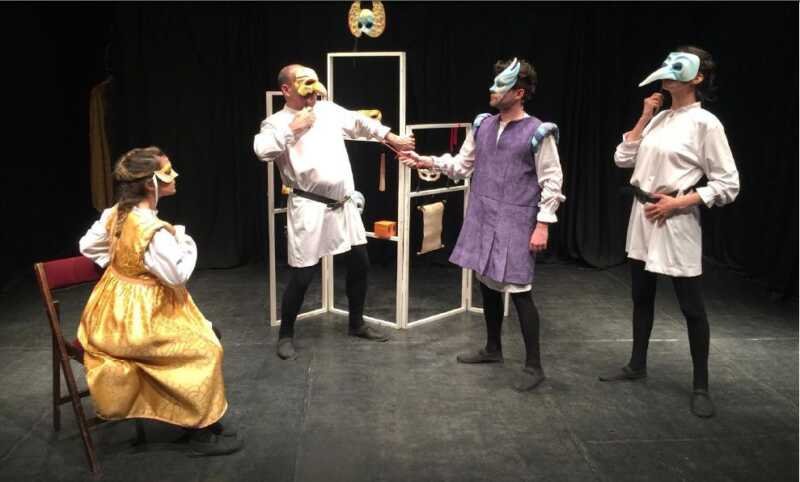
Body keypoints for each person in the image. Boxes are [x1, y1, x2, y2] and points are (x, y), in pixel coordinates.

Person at [398, 58, 565, 391]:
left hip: (516, 218)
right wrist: (425, 160)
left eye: (501, 85)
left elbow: (552, 180)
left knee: (519, 290)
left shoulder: (538, 132)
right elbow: (462, 165)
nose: (492, 89)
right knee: (487, 282)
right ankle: (493, 348)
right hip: (483, 213)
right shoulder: (483, 125)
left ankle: (534, 365)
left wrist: (543, 224)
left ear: (519, 93)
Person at [598, 46, 740, 418]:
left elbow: (728, 184)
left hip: (675, 219)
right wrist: (645, 116)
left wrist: (678, 203)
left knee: (691, 306)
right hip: (643, 215)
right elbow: (622, 159)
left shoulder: (706, 123)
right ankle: (637, 364)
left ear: (697, 77)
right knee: (641, 296)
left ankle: (701, 385)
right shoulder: (660, 119)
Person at [78, 147, 243, 455]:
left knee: (208, 331)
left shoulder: (116, 213)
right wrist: (183, 240)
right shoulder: (152, 231)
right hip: (134, 321)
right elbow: (177, 274)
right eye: (167, 173)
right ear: (149, 183)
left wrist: (124, 266)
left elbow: (88, 245)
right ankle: (198, 431)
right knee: (205, 348)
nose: (174, 176)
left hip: (114, 310)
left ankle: (198, 417)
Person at [253, 64, 415, 360]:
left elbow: (359, 122)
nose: (312, 96)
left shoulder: (327, 110)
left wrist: (390, 137)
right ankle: (286, 334)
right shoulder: (276, 123)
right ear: (286, 90)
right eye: (305, 90)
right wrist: (293, 129)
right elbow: (262, 150)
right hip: (309, 206)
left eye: (315, 89)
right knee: (303, 275)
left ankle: (356, 323)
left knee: (360, 263)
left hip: (343, 203)